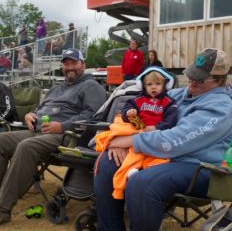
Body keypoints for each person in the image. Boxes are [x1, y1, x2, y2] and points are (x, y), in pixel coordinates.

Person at [94, 48, 232, 231]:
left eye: (199, 79)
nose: (191, 81)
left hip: (199, 167)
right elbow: (135, 110)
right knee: (107, 163)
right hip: (160, 158)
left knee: (142, 184)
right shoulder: (179, 94)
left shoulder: (222, 108)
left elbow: (176, 140)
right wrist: (118, 136)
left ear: (218, 81)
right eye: (191, 75)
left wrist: (131, 141)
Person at [0, 48, 107, 228]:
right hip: (38, 131)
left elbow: (93, 117)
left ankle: (0, 210)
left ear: (83, 64)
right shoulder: (56, 88)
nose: (70, 67)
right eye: (66, 63)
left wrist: (62, 126)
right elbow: (41, 109)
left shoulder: (92, 86)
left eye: (74, 63)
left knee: (26, 146)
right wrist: (30, 115)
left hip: (66, 137)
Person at [95, 67, 177, 200]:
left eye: (157, 84)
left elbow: (171, 121)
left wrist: (157, 127)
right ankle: (129, 172)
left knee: (158, 158)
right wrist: (129, 113)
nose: (153, 87)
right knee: (132, 151)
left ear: (165, 84)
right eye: (149, 84)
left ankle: (142, 173)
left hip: (155, 135)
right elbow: (126, 111)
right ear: (143, 86)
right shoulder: (138, 99)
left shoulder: (169, 103)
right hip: (137, 130)